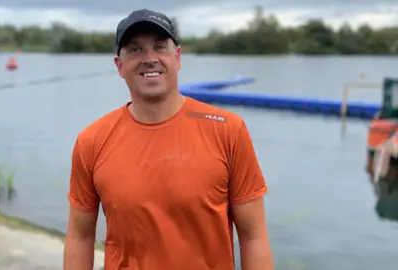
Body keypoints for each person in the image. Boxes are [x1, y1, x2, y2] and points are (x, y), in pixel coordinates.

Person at [64, 8, 273, 270]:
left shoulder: (228, 131)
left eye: (159, 47)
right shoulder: (92, 141)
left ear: (177, 57)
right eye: (135, 50)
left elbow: (253, 236)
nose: (149, 58)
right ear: (119, 66)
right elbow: (79, 236)